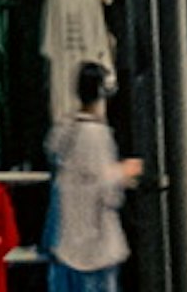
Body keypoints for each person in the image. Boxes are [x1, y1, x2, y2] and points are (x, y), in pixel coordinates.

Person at [44, 67, 135, 278]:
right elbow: (106, 188)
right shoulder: (97, 134)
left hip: (64, 241)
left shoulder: (63, 131)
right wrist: (123, 172)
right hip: (96, 245)